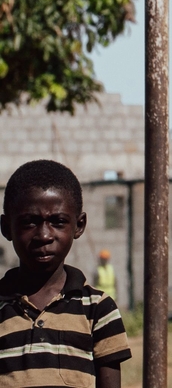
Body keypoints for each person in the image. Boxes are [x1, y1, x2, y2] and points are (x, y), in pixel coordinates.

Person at [0, 160, 131, 388]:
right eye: (29, 222)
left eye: (58, 222)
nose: (44, 235)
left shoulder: (98, 310)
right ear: (6, 228)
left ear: (79, 226)